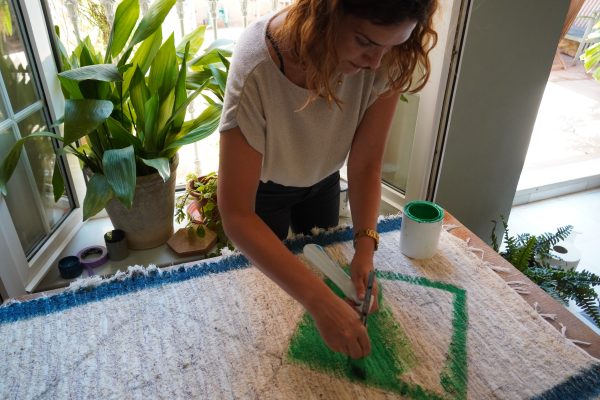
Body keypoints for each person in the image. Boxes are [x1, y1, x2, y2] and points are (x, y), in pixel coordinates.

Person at [218, 0, 438, 360]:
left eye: (392, 44)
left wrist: (364, 250)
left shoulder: (389, 57)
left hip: (324, 181)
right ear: (324, 13)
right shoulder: (258, 66)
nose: (375, 63)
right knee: (267, 299)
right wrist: (320, 303)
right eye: (365, 42)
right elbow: (236, 214)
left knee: (326, 263)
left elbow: (365, 165)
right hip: (263, 193)